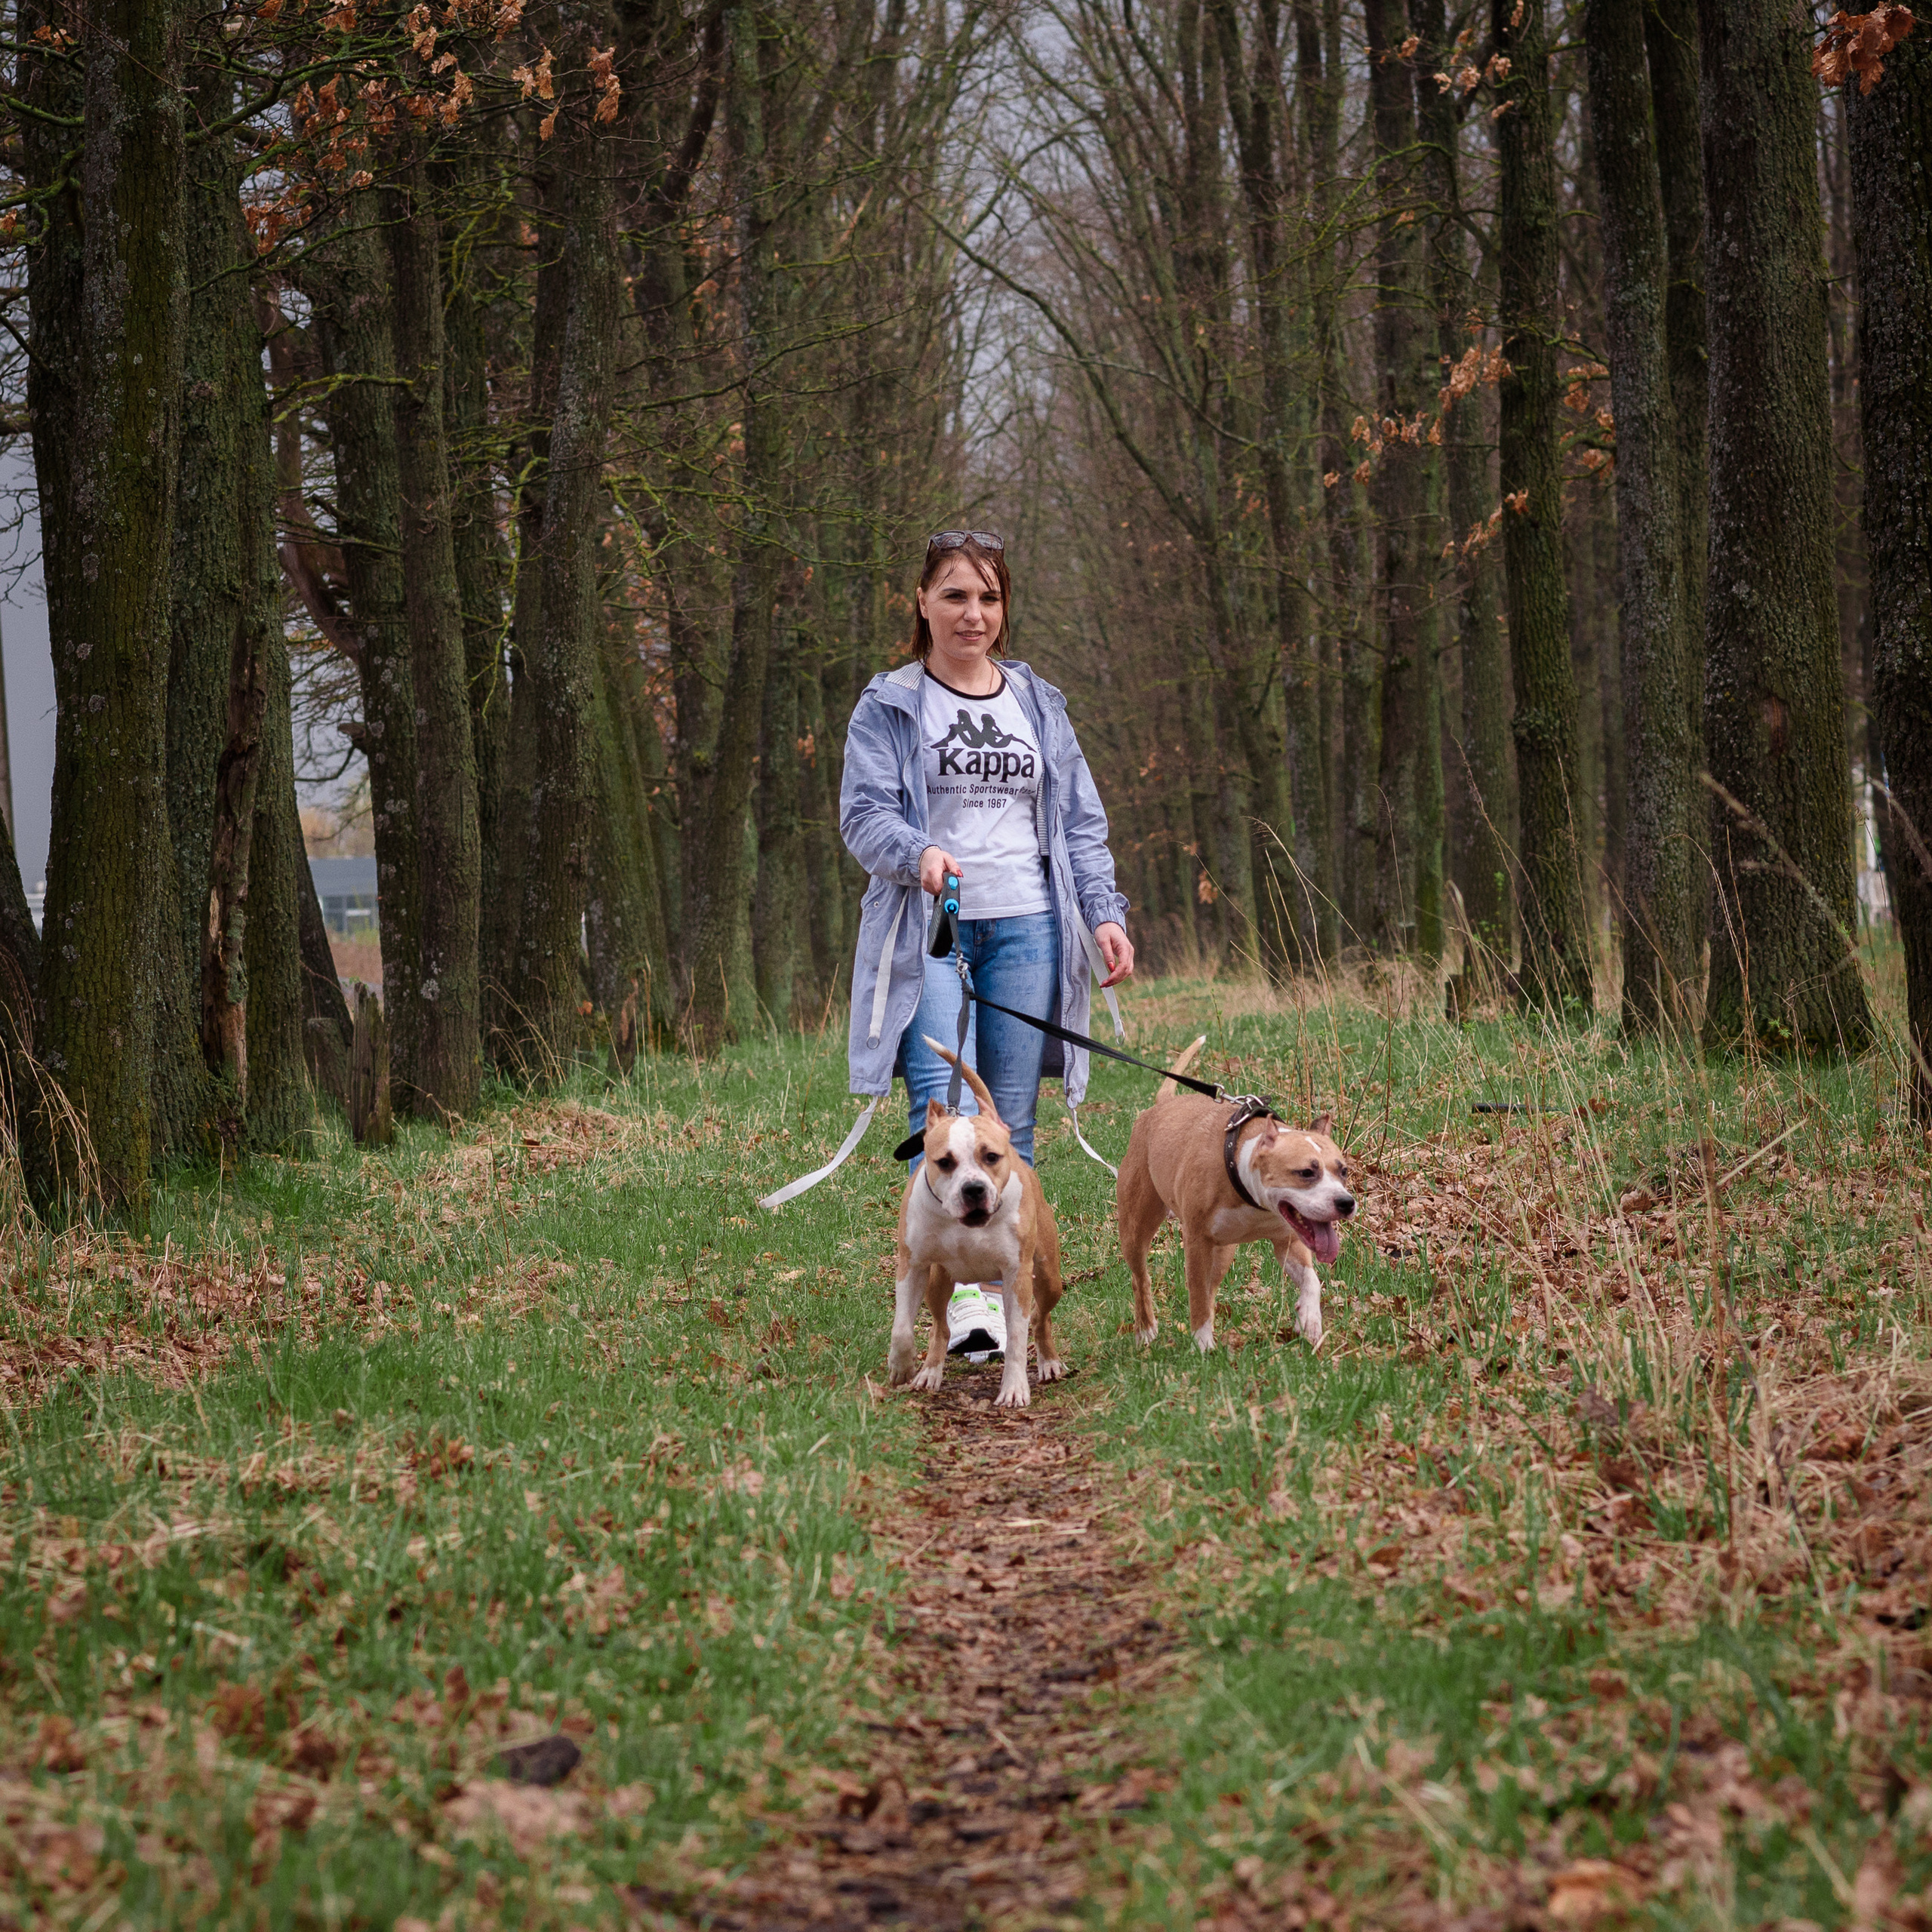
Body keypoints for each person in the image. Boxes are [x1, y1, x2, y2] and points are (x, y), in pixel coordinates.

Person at [840, 528, 1135, 1359]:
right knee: (935, 1107)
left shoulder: (1038, 702)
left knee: (1009, 1128)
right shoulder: (891, 704)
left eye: (989, 597)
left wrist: (1102, 912)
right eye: (955, 595)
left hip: (1031, 924)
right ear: (923, 603)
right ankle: (944, 1311)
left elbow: (1079, 822)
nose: (974, 614)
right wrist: (916, 853)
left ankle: (1006, 1305)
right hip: (928, 926)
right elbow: (863, 817)